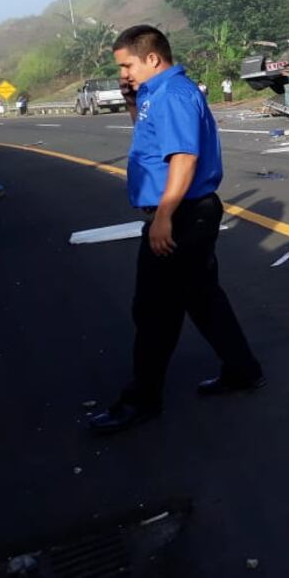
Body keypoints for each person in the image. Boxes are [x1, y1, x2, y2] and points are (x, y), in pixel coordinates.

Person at [88, 25, 263, 435]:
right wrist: (132, 102)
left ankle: (141, 400)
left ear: (152, 58)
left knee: (153, 311)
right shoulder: (154, 94)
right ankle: (243, 370)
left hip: (183, 215)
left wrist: (164, 215)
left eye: (127, 65)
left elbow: (183, 158)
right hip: (185, 212)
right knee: (203, 299)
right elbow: (150, 145)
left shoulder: (173, 95)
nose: (124, 73)